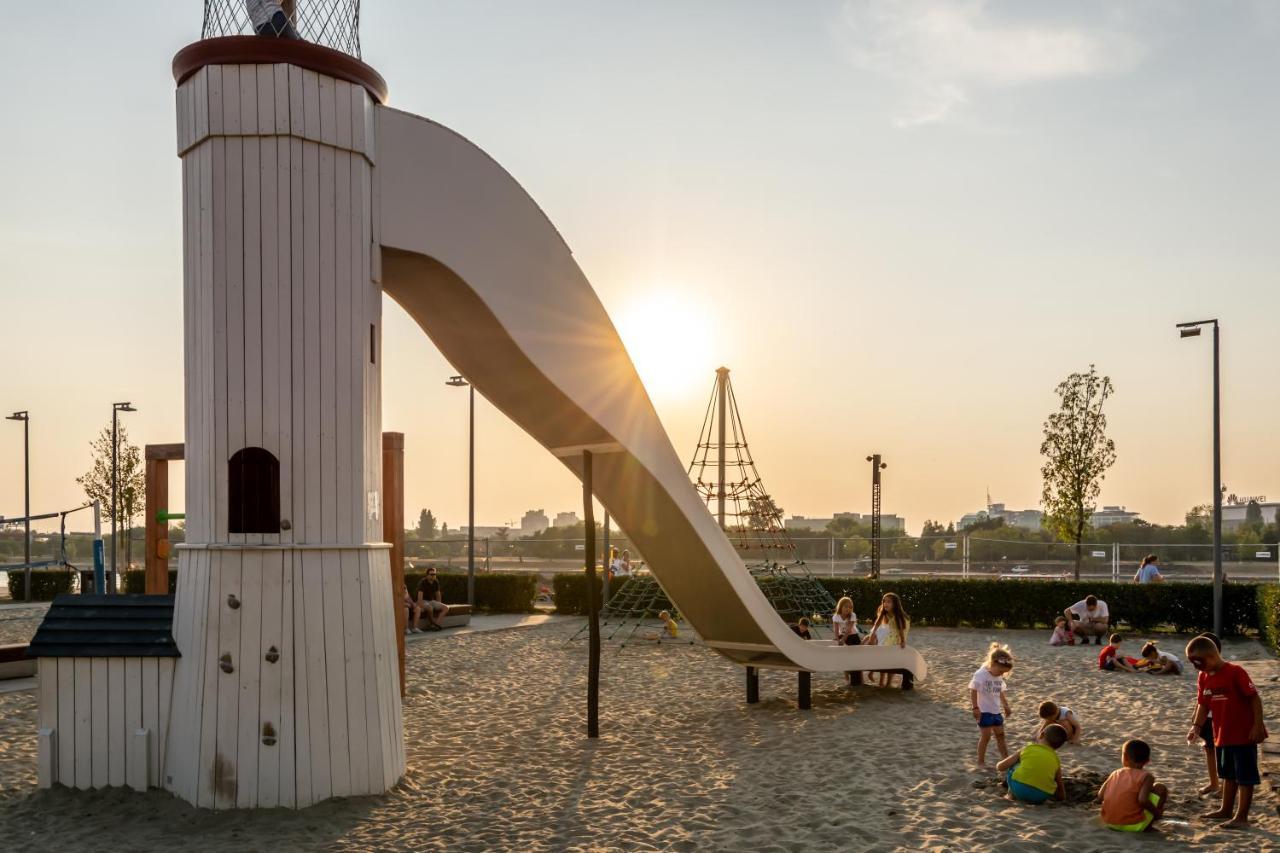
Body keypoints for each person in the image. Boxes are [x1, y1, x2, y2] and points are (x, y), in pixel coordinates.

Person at [1185, 634, 1268, 827]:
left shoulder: (1235, 672)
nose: (1197, 668)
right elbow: (1203, 704)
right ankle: (1226, 809)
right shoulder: (1203, 676)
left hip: (1243, 735)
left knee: (1245, 777)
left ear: (1212, 657)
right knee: (1228, 774)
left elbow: (1254, 698)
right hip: (1221, 735)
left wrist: (1257, 725)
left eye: (1199, 663)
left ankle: (1242, 817)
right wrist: (1196, 726)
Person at [1098, 739, 1170, 833]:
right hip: (1133, 826)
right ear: (1147, 761)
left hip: (1109, 822)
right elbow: (1142, 800)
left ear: (1125, 758)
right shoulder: (1147, 776)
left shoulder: (1115, 773)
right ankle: (1149, 825)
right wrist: (1157, 813)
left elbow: (1100, 796)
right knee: (1160, 788)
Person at [996, 724, 1067, 804]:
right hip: (1040, 796)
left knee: (1014, 765)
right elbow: (1059, 783)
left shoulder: (1028, 748)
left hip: (1019, 790)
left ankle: (1010, 795)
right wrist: (1062, 797)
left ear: (1042, 734)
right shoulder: (1056, 759)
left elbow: (1001, 767)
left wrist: (998, 764)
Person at [969, 643, 1014, 767]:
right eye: (1000, 671)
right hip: (984, 711)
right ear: (992, 663)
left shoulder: (998, 676)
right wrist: (975, 707)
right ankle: (981, 761)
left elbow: (1000, 691)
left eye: (1004, 673)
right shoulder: (980, 674)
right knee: (986, 737)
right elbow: (973, 690)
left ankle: (1005, 759)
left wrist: (1006, 705)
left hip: (995, 710)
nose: (1001, 674)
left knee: (1001, 735)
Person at [1189, 632, 1222, 796]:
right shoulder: (1203, 674)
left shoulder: (1228, 673)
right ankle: (1214, 783)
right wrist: (1195, 723)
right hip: (1206, 719)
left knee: (1224, 752)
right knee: (1209, 749)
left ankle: (1225, 785)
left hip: (1221, 719)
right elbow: (1201, 699)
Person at [865, 592, 910, 687]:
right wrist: (873, 634)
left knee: (889, 659)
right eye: (884, 601)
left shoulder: (898, 615)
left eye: (888, 602)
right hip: (890, 634)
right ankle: (881, 681)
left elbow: (901, 629)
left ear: (895, 604)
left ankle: (888, 682)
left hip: (897, 635)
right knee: (882, 653)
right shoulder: (884, 612)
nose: (885, 604)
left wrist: (902, 641)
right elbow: (877, 623)